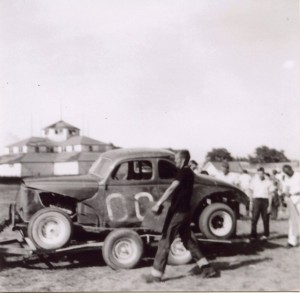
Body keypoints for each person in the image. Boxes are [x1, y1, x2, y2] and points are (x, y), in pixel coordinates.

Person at [143, 150, 218, 283]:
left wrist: (158, 203)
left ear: (183, 160)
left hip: (178, 213)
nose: (175, 161)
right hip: (185, 213)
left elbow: (171, 188)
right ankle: (207, 268)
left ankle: (156, 275)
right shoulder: (188, 173)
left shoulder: (184, 173)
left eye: (177, 159)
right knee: (188, 241)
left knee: (164, 242)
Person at [249, 167, 273, 240]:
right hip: (256, 200)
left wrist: (269, 205)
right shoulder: (254, 181)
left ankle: (266, 234)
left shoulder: (268, 182)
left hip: (265, 200)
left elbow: (270, 194)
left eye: (262, 173)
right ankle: (253, 235)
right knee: (254, 218)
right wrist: (251, 203)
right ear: (257, 173)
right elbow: (251, 192)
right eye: (259, 173)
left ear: (264, 173)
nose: (260, 175)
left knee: (265, 218)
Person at [281, 165, 300, 248]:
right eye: (285, 172)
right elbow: (286, 189)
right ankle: (292, 241)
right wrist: (285, 195)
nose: (287, 173)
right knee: (292, 221)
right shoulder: (286, 178)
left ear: (291, 169)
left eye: (287, 171)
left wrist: (294, 193)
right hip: (292, 201)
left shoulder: (298, 175)